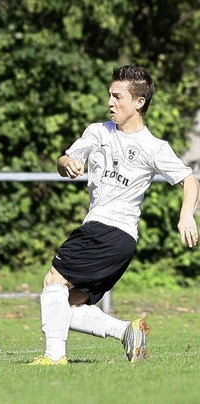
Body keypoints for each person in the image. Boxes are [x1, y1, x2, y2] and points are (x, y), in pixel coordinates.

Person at [31, 65, 200, 365]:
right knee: (65, 305)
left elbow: (190, 180)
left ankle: (54, 357)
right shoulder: (97, 132)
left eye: (117, 96)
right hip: (116, 240)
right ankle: (126, 331)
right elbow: (64, 159)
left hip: (109, 230)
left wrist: (186, 215)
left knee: (52, 281)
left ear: (139, 102)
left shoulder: (153, 147)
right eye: (109, 94)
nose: (110, 101)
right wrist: (67, 162)